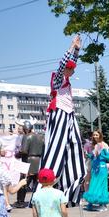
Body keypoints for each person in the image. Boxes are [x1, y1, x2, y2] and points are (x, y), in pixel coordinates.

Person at [41, 35, 87, 204]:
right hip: (59, 113)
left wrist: (77, 50)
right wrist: (71, 47)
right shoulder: (58, 79)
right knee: (57, 147)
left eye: (73, 69)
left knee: (75, 144)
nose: (72, 71)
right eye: (70, 69)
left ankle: (72, 188)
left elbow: (70, 62)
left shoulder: (67, 79)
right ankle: (47, 183)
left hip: (69, 114)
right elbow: (63, 64)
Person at [14, 121, 44, 208]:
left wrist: (17, 154)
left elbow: (24, 150)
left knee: (23, 182)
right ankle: (40, 200)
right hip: (39, 161)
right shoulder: (40, 136)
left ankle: (20, 201)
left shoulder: (26, 136)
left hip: (28, 161)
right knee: (38, 182)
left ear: (25, 129)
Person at [83, 130, 109, 211]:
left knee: (101, 185)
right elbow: (93, 157)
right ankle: (91, 202)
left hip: (101, 168)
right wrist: (88, 155)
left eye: (96, 135)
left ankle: (103, 204)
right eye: (94, 135)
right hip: (94, 168)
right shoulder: (95, 145)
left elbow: (108, 157)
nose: (95, 136)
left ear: (100, 136)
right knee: (93, 184)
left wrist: (101, 154)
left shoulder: (104, 145)